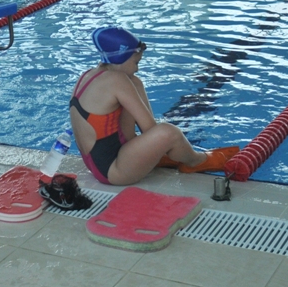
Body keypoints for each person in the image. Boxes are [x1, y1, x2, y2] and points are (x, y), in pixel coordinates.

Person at [69, 27, 239, 186]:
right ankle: (197, 161)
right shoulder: (117, 80)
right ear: (122, 58)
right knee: (169, 133)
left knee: (135, 83)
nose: (137, 68)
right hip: (114, 172)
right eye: (136, 62)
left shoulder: (88, 76)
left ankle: (162, 155)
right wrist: (166, 145)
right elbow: (150, 129)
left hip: (98, 165)